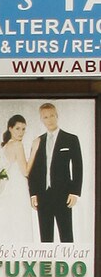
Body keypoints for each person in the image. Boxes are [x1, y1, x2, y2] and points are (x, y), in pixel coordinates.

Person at [29, 101, 84, 244]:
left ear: (57, 116)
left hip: (63, 193)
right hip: (43, 194)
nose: (50, 119)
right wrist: (33, 193)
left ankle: (70, 264)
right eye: (46, 117)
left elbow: (78, 167)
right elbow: (34, 169)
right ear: (41, 119)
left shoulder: (71, 139)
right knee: (45, 238)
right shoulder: (38, 141)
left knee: (66, 235)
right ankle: (47, 266)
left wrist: (74, 191)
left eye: (52, 115)